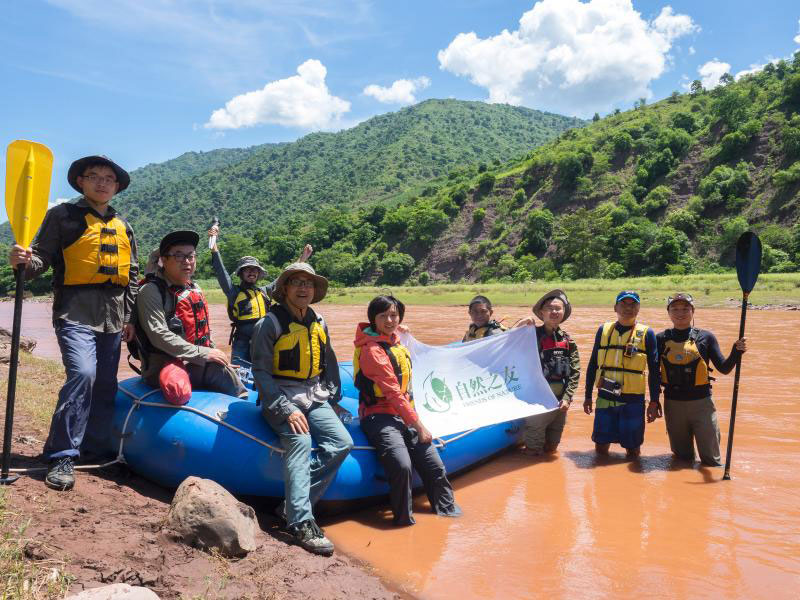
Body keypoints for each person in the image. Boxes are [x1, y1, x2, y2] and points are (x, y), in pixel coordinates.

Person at [8, 155, 139, 491]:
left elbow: (132, 274)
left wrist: (129, 317)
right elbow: (41, 259)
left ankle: (94, 452)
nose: (101, 182)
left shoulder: (124, 226)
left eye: (108, 178)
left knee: (106, 386)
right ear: (81, 182)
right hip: (74, 312)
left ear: (117, 186)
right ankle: (62, 454)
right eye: (93, 176)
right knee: (83, 374)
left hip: (112, 316)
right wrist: (22, 261)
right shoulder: (63, 216)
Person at [250, 262, 353, 556]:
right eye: (296, 282)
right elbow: (260, 371)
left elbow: (329, 362)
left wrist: (333, 396)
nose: (303, 287)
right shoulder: (268, 324)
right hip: (280, 394)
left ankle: (290, 506)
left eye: (308, 283)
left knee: (342, 442)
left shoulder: (319, 321)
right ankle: (300, 521)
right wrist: (285, 409)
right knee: (300, 440)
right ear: (285, 289)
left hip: (313, 393)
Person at [354, 295, 462, 526]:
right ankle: (404, 522)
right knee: (402, 466)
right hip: (378, 415)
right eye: (383, 316)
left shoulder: (395, 340)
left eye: (394, 315)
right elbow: (392, 392)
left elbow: (404, 389)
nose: (390, 320)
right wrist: (419, 426)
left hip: (403, 413)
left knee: (434, 465)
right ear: (373, 319)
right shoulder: (372, 351)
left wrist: (399, 331)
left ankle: (449, 512)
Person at [135, 230, 247, 405]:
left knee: (229, 376)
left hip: (197, 359)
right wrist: (203, 354)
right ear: (164, 260)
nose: (187, 262)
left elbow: (202, 332)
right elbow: (158, 336)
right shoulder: (151, 291)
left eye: (191, 256)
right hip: (165, 363)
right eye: (178, 256)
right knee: (178, 389)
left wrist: (215, 355)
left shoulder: (195, 288)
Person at [657, 293, 747, 466]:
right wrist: (654, 401)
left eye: (685, 308)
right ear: (668, 312)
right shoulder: (660, 338)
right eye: (675, 309)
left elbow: (724, 368)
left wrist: (736, 351)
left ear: (693, 311)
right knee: (681, 460)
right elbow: (654, 374)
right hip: (673, 404)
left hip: (702, 405)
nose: (680, 313)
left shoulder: (706, 337)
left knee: (711, 460)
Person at [207, 223, 312, 366]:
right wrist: (214, 245)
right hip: (242, 342)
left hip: (265, 340)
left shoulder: (264, 291)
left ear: (259, 274)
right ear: (241, 273)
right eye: (247, 269)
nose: (252, 272)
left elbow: (284, 276)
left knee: (268, 372)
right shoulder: (233, 292)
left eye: (255, 270)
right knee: (241, 374)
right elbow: (220, 270)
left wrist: (302, 259)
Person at [583, 291, 662, 458]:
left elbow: (654, 371)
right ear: (615, 307)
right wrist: (587, 396)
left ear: (639, 308)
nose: (628, 308)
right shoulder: (603, 330)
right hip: (605, 397)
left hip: (633, 400)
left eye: (633, 304)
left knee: (633, 448)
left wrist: (654, 401)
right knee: (601, 445)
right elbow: (592, 365)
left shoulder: (647, 333)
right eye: (623, 304)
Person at [514, 290, 580, 455]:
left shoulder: (568, 341)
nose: (554, 312)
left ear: (563, 313)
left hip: (560, 404)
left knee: (552, 448)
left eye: (558, 308)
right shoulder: (530, 335)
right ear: (541, 313)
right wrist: (521, 323)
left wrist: (567, 398)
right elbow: (506, 341)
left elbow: (575, 372)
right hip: (537, 403)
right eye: (549, 308)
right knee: (532, 451)